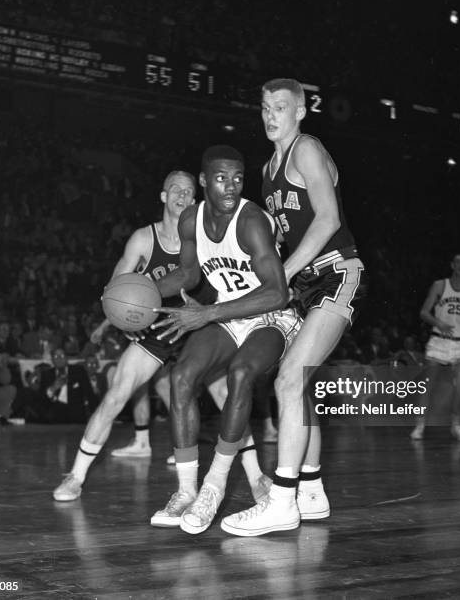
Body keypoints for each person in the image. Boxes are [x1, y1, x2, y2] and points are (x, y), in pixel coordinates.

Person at [52, 171, 267, 502]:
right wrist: (123, 321)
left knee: (226, 394)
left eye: (189, 192)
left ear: (194, 200)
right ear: (164, 196)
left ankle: (256, 478)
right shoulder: (142, 239)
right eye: (176, 190)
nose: (183, 196)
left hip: (198, 324)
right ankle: (75, 477)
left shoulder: (207, 235)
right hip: (159, 328)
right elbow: (113, 293)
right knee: (117, 394)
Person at [220, 78, 367, 536]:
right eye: (265, 107)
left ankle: (281, 501)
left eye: (280, 107)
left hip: (337, 272)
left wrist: (279, 277)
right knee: (297, 388)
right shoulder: (267, 169)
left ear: (300, 111)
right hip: (305, 284)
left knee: (287, 380)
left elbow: (328, 219)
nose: (270, 115)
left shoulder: (306, 150)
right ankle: (312, 490)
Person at [148, 145, 302, 534]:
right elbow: (188, 275)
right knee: (181, 377)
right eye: (221, 177)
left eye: (237, 177)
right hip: (230, 314)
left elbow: (278, 293)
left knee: (240, 373)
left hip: (272, 316)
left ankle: (213, 489)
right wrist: (141, 289)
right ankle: (186, 491)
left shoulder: (251, 221)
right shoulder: (190, 221)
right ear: (203, 181)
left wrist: (207, 313)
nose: (231, 185)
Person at [410, 254, 460, 441]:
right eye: (457, 262)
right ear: (451, 265)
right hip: (439, 340)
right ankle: (420, 425)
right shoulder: (440, 285)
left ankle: (456, 426)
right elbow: (424, 312)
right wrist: (438, 323)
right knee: (427, 386)